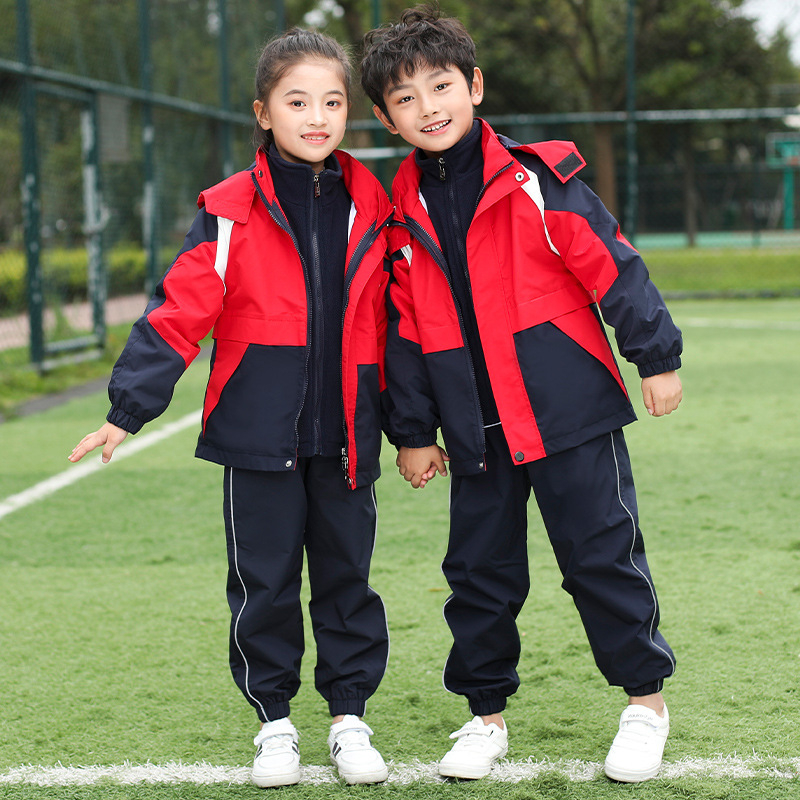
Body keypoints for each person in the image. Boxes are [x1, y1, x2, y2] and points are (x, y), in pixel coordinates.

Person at [361, 5, 683, 784]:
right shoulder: (394, 216)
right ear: (386, 118)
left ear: (474, 85)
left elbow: (613, 264)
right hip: (473, 430)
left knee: (601, 557)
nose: (428, 107)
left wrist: (654, 355)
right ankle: (485, 718)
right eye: (405, 98)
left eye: (441, 86)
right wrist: (412, 432)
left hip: (570, 413)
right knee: (479, 575)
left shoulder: (540, 180)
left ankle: (645, 704)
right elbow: (403, 332)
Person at [69, 28, 393, 788]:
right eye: (297, 102)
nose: (317, 117)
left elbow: (396, 321)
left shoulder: (374, 203)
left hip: (349, 432)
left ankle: (349, 718)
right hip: (256, 435)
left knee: (347, 579)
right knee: (264, 584)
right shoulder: (228, 210)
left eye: (333, 102)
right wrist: (126, 409)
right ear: (263, 112)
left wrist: (410, 426)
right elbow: (178, 311)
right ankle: (274, 723)